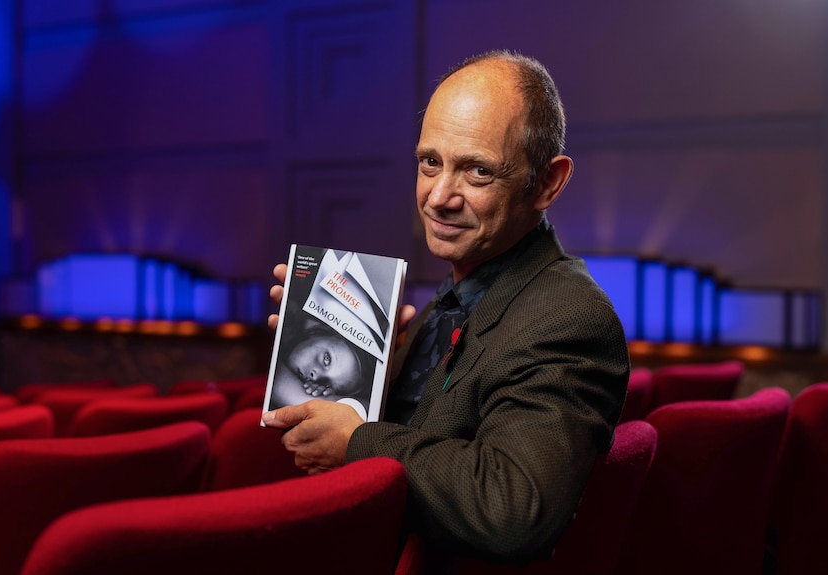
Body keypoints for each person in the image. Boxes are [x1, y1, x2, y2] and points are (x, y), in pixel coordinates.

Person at [262, 49, 629, 568]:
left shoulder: (567, 318)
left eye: (477, 171)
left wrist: (361, 441)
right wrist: (374, 385)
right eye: (430, 162)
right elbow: (437, 432)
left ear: (548, 182)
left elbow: (512, 510)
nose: (438, 197)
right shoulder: (461, 292)